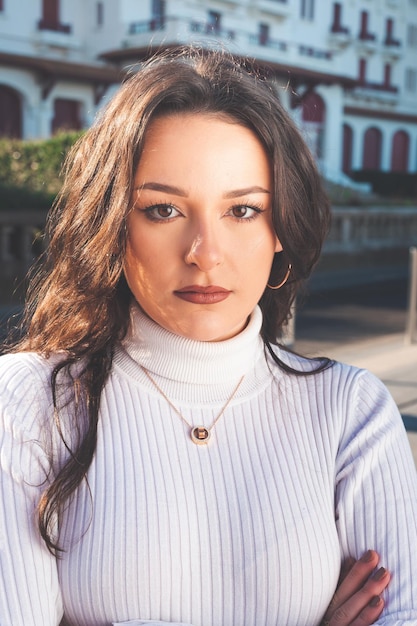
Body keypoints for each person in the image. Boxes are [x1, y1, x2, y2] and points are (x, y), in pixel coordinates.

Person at [0, 46, 416, 626]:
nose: (205, 254)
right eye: (164, 211)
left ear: (280, 228)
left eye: (242, 211)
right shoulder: (28, 403)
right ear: (114, 225)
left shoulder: (352, 414)